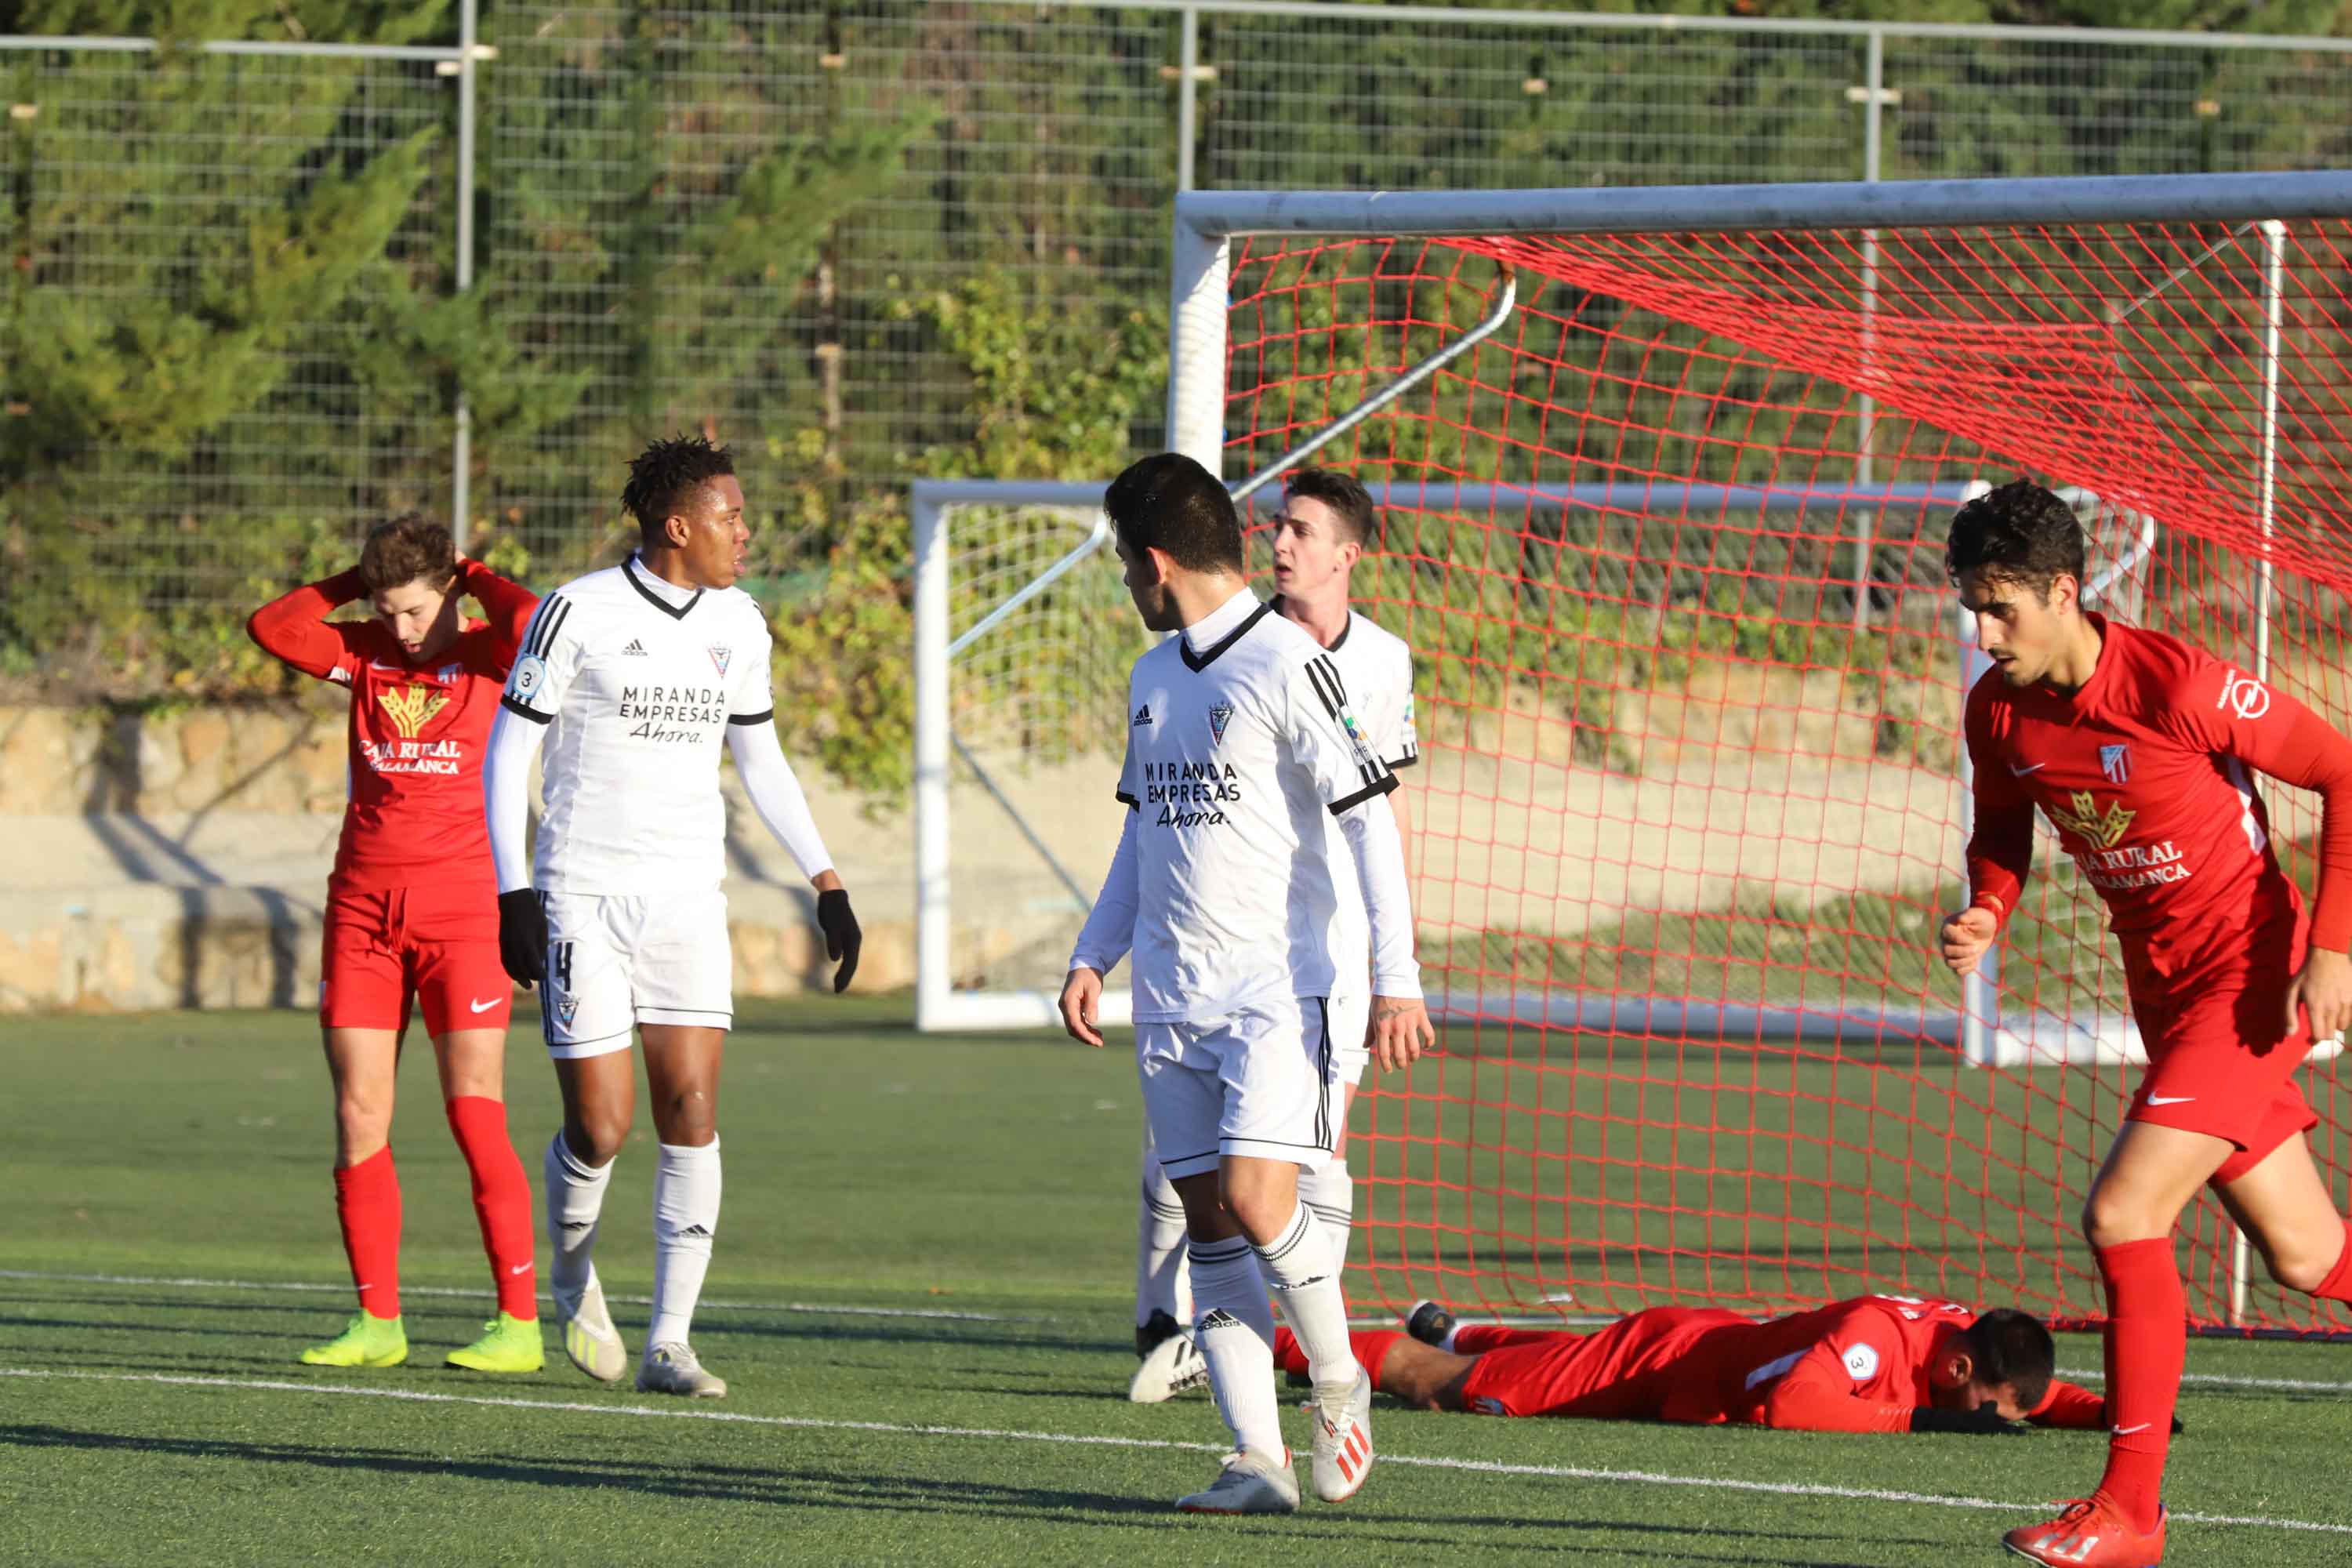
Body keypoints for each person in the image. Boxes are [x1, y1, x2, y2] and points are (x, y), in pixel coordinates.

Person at [1941, 480, 2352, 1566]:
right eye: (1972, 610)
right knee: (2309, 1258)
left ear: (2066, 592)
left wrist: (2335, 947)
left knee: (2124, 1215)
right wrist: (1988, 907)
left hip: (2252, 984)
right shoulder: (1996, 709)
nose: (1984, 634)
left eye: (2001, 610)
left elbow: (2345, 771)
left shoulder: (2177, 683)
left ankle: (2130, 1512)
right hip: (2165, 996)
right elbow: (2000, 831)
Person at [1059, 452, 1436, 1514]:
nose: (1129, 590)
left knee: (1259, 1200)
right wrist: (1096, 953)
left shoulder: (1285, 663)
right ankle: (1254, 1460)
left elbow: (1367, 824)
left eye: (1127, 571)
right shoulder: (1154, 677)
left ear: (1156, 561)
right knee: (1211, 1228)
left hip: (1281, 994)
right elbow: (1144, 834)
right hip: (1173, 999)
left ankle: (1338, 1379)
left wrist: (1395, 979)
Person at [481, 435, 862, 1399]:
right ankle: (570, 1273)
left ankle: (671, 1341)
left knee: (691, 1109)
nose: (748, 530)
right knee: (601, 1128)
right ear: (679, 525)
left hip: (689, 897)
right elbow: (508, 751)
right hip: (583, 894)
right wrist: (513, 888)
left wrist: (826, 878)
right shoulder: (579, 610)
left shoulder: (740, 622)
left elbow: (761, 758)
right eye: (732, 515)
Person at [245, 515, 544, 1373]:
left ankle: (517, 1323)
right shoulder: (366, 651)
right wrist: (355, 585)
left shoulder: (491, 652)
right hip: (363, 914)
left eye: (415, 610)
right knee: (357, 1113)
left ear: (449, 589)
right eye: (389, 610)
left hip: (463, 914)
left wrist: (474, 569)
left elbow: (533, 623)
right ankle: (379, 1320)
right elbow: (273, 628)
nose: (404, 630)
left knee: (472, 1108)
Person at [1279, 1294, 2118, 1434]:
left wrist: (2107, 1411)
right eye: (1979, 1408)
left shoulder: (1963, 1342)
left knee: (1542, 1360)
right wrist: (1925, 1421)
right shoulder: (1878, 1337)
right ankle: (1269, 1344)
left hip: (1703, 1344)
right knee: (1450, 1392)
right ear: (1957, 1369)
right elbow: (1793, 1403)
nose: (1985, 1420)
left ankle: (1463, 1326)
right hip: (1663, 1360)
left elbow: (2024, 1397)